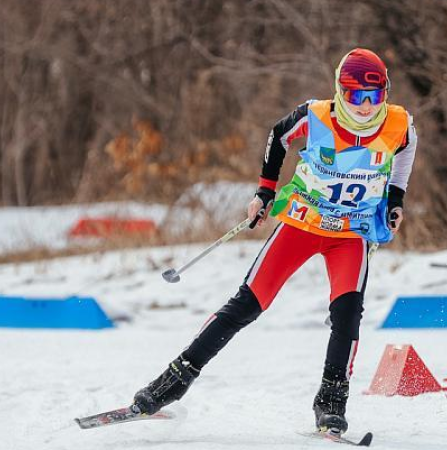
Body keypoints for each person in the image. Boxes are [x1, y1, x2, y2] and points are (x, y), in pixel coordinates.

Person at [131, 48, 417, 434]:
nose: (365, 107)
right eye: (354, 96)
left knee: (348, 315)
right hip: (300, 224)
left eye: (374, 96)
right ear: (339, 92)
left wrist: (395, 200)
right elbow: (277, 136)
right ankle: (172, 382)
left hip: (350, 233)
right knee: (246, 304)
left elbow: (406, 151)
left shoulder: (399, 125)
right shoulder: (315, 117)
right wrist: (265, 192)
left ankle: (331, 401)